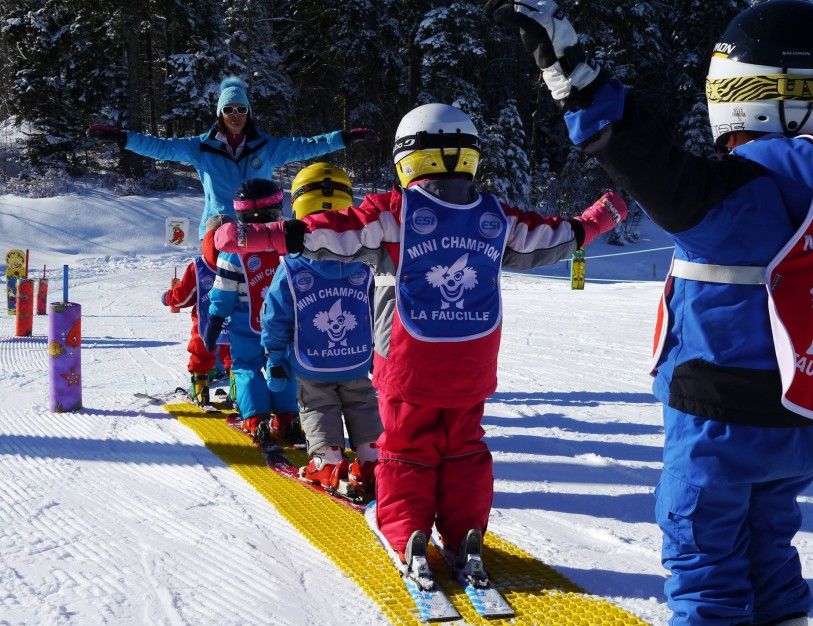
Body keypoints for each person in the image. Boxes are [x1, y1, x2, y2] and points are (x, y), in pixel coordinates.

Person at [485, 1, 813, 626]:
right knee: (769, 538)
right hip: (800, 416)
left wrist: (572, 72)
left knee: (701, 540)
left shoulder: (724, 189)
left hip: (716, 412)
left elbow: (635, 149)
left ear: (740, 91)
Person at [213, 102, 627, 576]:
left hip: (409, 363)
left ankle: (406, 530)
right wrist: (602, 215)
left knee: (407, 448)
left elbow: (328, 233)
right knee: (465, 446)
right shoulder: (495, 216)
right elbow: (553, 237)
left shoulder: (394, 212)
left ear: (406, 158)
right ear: (470, 156)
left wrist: (255, 236)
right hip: (471, 363)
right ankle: (464, 530)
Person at [86, 76, 378, 239]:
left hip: (261, 231)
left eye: (241, 109)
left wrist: (343, 138)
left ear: (248, 112)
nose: (235, 115)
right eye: (229, 110)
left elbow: (306, 145)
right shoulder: (200, 147)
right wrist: (122, 139)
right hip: (216, 231)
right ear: (220, 114)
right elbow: (159, 147)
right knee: (217, 302)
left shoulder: (268, 147)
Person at [261, 162, 382, 492]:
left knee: (317, 404)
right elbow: (375, 308)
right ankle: (371, 457)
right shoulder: (365, 261)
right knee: (362, 401)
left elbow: (276, 314)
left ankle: (327, 461)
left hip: (312, 360)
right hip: (355, 357)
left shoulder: (291, 265)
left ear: (298, 206)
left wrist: (274, 353)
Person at [203, 178, 302, 447]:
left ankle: (256, 418)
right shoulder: (289, 243)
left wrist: (214, 318)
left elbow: (223, 291)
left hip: (246, 322)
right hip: (284, 322)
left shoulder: (232, 251)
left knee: (247, 367)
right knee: (283, 365)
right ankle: (287, 416)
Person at [161, 224, 233, 406]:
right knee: (235, 355)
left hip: (204, 325)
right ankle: (239, 392)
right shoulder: (240, 260)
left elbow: (182, 297)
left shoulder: (198, 266)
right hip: (234, 322)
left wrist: (169, 298)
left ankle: (200, 393)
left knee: (200, 355)